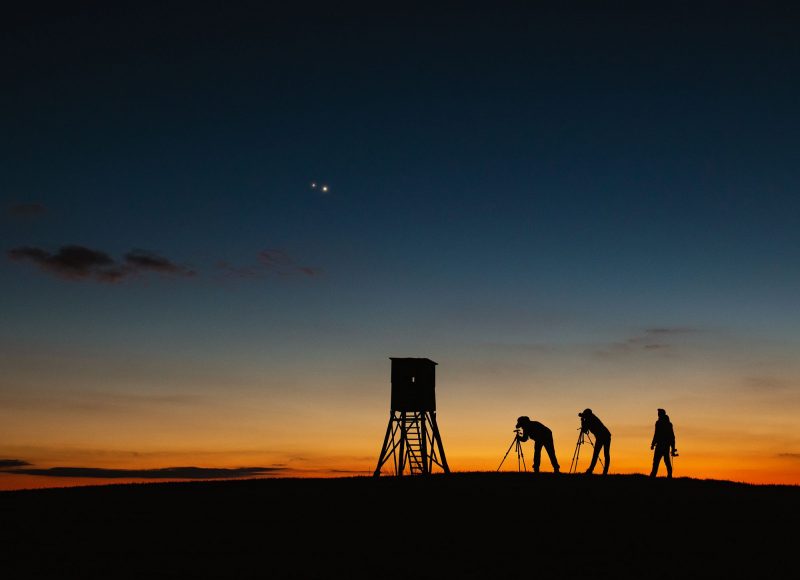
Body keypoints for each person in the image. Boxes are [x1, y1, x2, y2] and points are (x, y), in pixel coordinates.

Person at [578, 408, 611, 475]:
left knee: (600, 454)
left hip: (603, 436)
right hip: (604, 436)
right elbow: (585, 429)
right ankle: (594, 471)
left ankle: (593, 471)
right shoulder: (591, 417)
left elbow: (584, 430)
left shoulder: (590, 419)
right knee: (602, 454)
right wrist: (583, 419)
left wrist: (582, 421)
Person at [650, 408, 677, 478]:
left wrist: (653, 444)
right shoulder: (666, 423)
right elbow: (657, 434)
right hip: (663, 446)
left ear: (661, 414)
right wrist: (673, 447)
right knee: (663, 461)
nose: (658, 414)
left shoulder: (661, 423)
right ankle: (668, 475)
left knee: (660, 461)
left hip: (662, 446)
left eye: (659, 413)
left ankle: (654, 476)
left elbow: (657, 434)